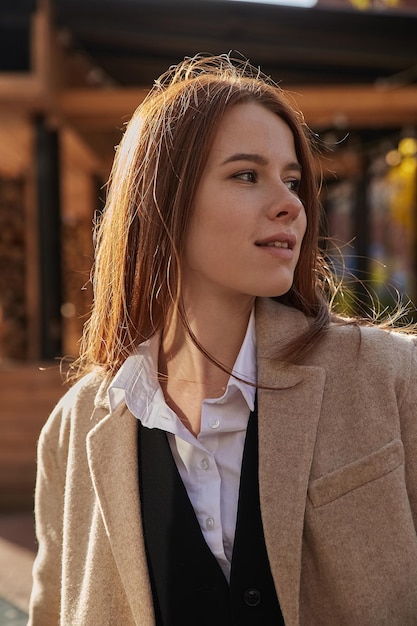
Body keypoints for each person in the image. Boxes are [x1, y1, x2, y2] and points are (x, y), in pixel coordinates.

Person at [28, 53, 417, 626]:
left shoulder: (390, 376)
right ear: (162, 200)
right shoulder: (74, 429)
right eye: (245, 174)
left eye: (291, 179)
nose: (291, 204)